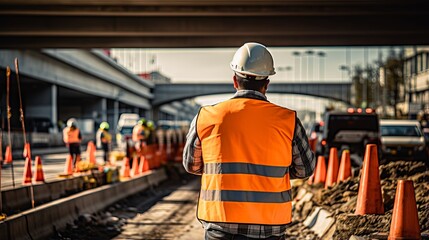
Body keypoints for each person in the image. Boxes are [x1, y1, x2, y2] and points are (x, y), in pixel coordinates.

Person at [183, 42, 316, 240]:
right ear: (266, 85)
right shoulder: (287, 120)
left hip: (220, 224)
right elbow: (305, 169)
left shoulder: (207, 116)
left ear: (235, 81)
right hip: (269, 226)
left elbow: (191, 165)